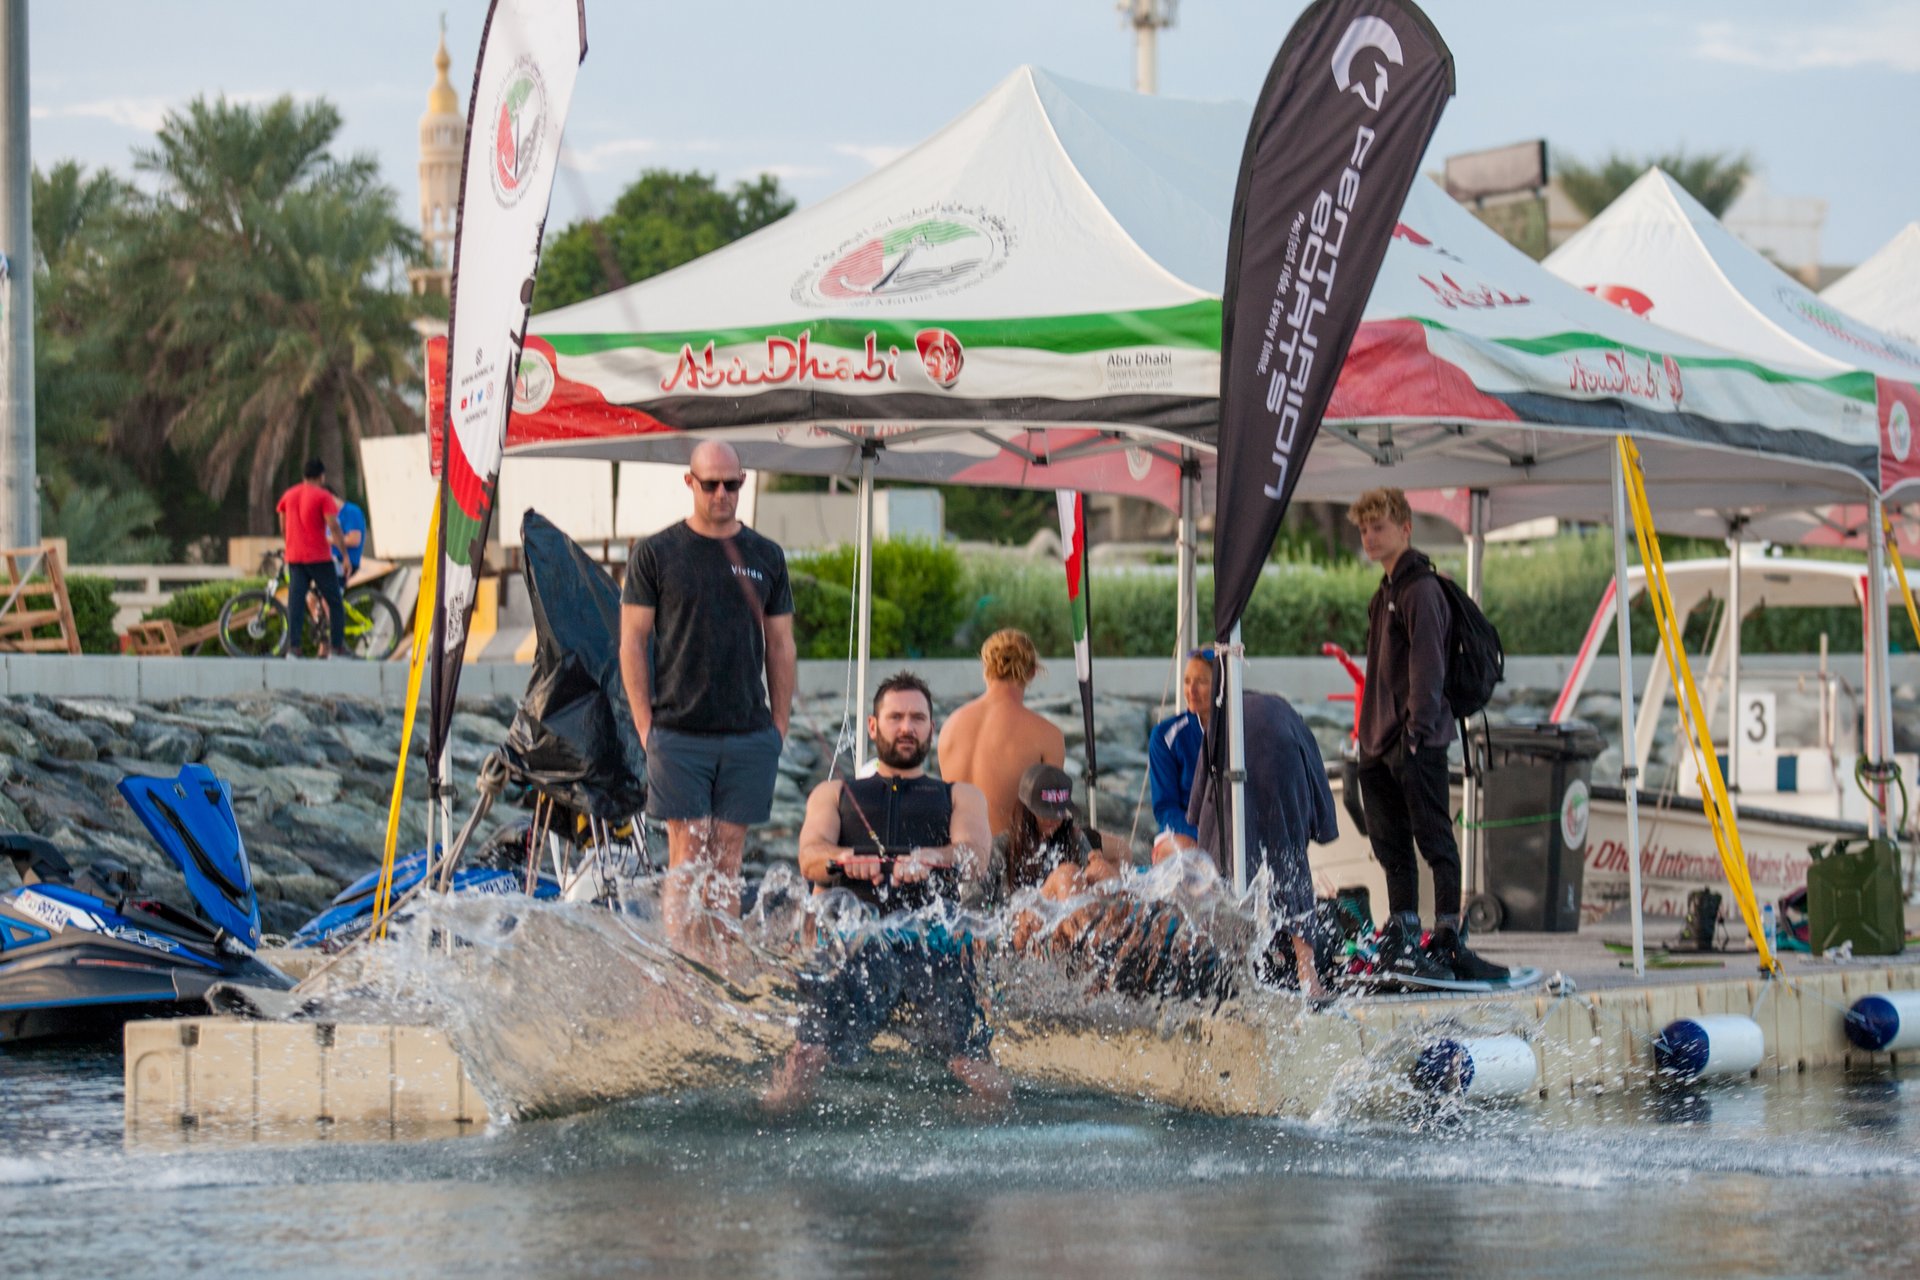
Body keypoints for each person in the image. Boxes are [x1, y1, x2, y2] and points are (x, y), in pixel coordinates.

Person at [763, 672, 1006, 1110]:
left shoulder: (960, 796)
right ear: (873, 727)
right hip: (855, 948)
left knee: (980, 1075)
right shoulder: (834, 793)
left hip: (931, 950)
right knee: (805, 1060)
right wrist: (845, 859)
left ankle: (991, 1134)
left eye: (917, 718)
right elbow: (810, 856)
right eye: (895, 717)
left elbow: (974, 856)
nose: (906, 727)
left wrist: (930, 858)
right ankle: (770, 1125)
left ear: (931, 727)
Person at [620, 440, 797, 946]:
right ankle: (682, 964)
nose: (722, 493)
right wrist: (644, 724)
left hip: (748, 730)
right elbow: (632, 641)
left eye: (732, 484)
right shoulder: (657, 553)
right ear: (690, 483)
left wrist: (778, 726)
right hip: (678, 729)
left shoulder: (766, 555)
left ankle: (720, 964)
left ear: (743, 482)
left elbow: (781, 644)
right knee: (688, 850)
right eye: (711, 483)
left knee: (727, 859)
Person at [1349, 487, 1506, 983]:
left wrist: (1416, 732)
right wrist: (1368, 739)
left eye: (1378, 527)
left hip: (1415, 740)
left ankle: (1448, 938)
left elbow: (1428, 668)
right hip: (1379, 743)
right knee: (1392, 847)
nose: (1369, 537)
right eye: (1364, 529)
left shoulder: (1421, 591)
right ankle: (1403, 932)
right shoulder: (1384, 594)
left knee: (1435, 840)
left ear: (1405, 529)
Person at [1189, 685, 1339, 1000]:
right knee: (1289, 864)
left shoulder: (1222, 716)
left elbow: (1202, 795)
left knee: (1220, 871)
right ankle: (1308, 978)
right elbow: (1316, 778)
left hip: (1229, 761)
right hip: (1283, 761)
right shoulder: (1287, 713)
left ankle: (1215, 973)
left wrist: (1204, 826)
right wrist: (1320, 825)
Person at [937, 629, 1066, 837]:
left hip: (958, 850)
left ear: (986, 669)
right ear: (1032, 672)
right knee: (1108, 844)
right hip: (1010, 852)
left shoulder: (951, 725)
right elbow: (1050, 818)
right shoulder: (1047, 735)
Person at [990, 761, 1125, 904]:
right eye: (1045, 813)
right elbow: (978, 905)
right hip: (1019, 914)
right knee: (1066, 876)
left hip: (1065, 911)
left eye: (1059, 813)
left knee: (1101, 870)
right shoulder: (1000, 848)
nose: (1053, 819)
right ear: (1026, 811)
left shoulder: (1074, 840)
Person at [275, 459, 348, 658]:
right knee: (334, 601)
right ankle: (336, 648)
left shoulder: (288, 495)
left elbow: (283, 526)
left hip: (295, 558)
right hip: (319, 557)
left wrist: (290, 545)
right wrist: (345, 556)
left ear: (304, 475)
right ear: (321, 476)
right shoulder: (323, 496)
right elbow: (334, 527)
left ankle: (294, 648)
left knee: (296, 603)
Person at [1148, 649, 1214, 863]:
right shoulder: (1165, 736)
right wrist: (1204, 836)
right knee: (1188, 852)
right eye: (1187, 681)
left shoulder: (1240, 733)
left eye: (1201, 682)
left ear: (1220, 686)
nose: (1191, 690)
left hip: (1233, 832)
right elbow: (1165, 808)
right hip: (1184, 834)